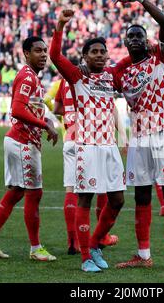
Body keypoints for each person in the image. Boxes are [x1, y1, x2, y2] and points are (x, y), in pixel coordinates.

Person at [50, 9, 131, 273]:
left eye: (102, 51)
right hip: (87, 147)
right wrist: (61, 25)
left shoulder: (111, 76)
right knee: (84, 200)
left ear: (107, 55)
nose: (98, 54)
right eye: (93, 51)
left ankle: (95, 243)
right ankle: (86, 257)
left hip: (109, 147)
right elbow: (54, 56)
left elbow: (129, 65)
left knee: (117, 200)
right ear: (85, 56)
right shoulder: (77, 77)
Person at [113, 0, 164, 272]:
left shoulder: (161, 58)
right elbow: (107, 74)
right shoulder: (122, 71)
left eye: (139, 36)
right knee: (141, 195)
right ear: (125, 43)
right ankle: (144, 254)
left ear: (147, 41)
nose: (134, 39)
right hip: (140, 136)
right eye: (130, 36)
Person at [0, 36, 58, 261]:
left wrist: (47, 121)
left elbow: (28, 109)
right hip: (22, 142)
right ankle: (35, 249)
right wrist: (46, 125)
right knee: (35, 192)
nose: (43, 55)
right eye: (37, 51)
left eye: (45, 51)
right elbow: (17, 110)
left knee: (16, 192)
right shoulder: (27, 76)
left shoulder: (33, 78)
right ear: (26, 54)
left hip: (21, 141)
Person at [53, 78, 125, 254]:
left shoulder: (64, 80)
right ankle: (102, 237)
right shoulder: (96, 80)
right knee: (101, 188)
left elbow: (56, 109)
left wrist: (71, 113)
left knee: (71, 190)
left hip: (70, 138)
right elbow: (109, 107)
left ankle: (72, 241)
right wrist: (122, 133)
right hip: (90, 138)